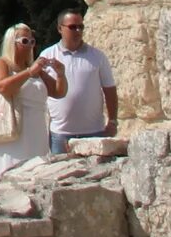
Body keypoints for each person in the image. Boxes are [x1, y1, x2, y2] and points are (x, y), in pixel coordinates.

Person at [0, 22, 59, 180]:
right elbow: (3, 86)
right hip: (12, 128)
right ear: (12, 42)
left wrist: (61, 74)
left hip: (36, 131)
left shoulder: (34, 68)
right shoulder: (1, 64)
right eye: (24, 41)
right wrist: (29, 73)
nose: (29, 45)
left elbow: (57, 92)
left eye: (32, 41)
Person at [36, 8, 119, 149]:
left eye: (81, 27)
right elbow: (38, 89)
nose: (78, 31)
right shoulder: (48, 55)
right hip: (60, 134)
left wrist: (113, 121)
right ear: (59, 28)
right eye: (72, 27)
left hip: (94, 132)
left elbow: (109, 90)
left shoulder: (97, 56)